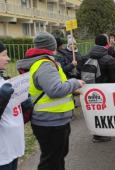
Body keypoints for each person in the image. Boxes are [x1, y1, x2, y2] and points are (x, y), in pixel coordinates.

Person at [16, 32, 85, 170]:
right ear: (51, 46)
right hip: (50, 121)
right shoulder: (45, 64)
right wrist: (74, 82)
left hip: (54, 120)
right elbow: (55, 90)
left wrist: (70, 88)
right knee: (51, 161)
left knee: (57, 157)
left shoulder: (44, 62)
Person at [86, 34, 115, 142]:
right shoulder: (109, 59)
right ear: (107, 43)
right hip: (105, 90)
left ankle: (97, 134)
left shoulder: (86, 56)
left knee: (95, 112)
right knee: (105, 111)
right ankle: (101, 133)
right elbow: (114, 78)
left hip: (90, 90)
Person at [0, 42, 24, 170]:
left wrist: (24, 104)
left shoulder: (4, 80)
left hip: (13, 148)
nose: (8, 59)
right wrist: (2, 99)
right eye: (4, 55)